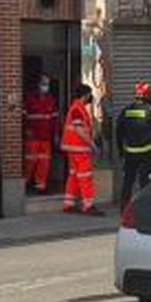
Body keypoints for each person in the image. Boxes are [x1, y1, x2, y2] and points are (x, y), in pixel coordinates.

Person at [116, 81, 151, 208]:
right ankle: (144, 207)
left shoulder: (126, 111)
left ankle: (124, 207)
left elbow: (118, 132)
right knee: (145, 182)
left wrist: (120, 150)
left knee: (128, 181)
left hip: (130, 153)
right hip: (145, 154)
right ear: (147, 95)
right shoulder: (150, 110)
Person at [60, 82, 103, 215]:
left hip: (73, 149)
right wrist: (92, 144)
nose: (91, 97)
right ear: (86, 95)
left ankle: (68, 203)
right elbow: (79, 130)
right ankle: (88, 205)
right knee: (85, 177)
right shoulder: (78, 109)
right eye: (90, 95)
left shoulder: (76, 108)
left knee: (74, 176)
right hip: (80, 149)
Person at [21, 75, 57, 194]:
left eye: (47, 84)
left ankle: (40, 186)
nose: (45, 86)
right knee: (30, 161)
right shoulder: (29, 99)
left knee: (44, 162)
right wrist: (26, 130)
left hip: (46, 136)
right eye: (43, 83)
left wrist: (55, 134)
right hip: (33, 136)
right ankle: (25, 182)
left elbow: (54, 119)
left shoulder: (51, 100)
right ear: (38, 84)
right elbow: (23, 117)